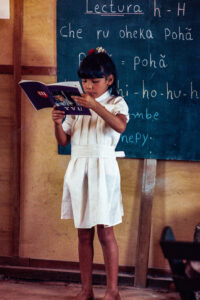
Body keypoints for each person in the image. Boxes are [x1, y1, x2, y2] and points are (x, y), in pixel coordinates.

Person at [52, 46, 129, 300]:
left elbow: (119, 125)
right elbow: (63, 141)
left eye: (95, 81)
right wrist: (56, 123)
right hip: (79, 167)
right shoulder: (76, 101)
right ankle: (86, 289)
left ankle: (113, 291)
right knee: (83, 231)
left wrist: (95, 105)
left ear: (109, 80)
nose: (88, 86)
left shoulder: (116, 102)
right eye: (84, 81)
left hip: (103, 168)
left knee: (105, 231)